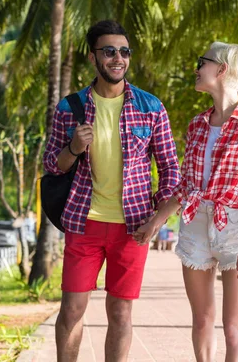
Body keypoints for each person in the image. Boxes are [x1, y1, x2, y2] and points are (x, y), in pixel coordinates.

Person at [43, 20, 180, 362]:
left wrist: (158, 220)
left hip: (133, 227)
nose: (118, 58)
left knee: (120, 313)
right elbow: (51, 165)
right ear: (93, 58)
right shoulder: (69, 108)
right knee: (72, 309)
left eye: (124, 51)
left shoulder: (150, 108)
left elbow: (171, 171)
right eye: (109, 51)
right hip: (83, 223)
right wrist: (73, 147)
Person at [135, 42, 238, 362]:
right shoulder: (198, 124)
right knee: (201, 320)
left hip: (237, 225)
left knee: (233, 327)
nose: (197, 68)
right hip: (195, 222)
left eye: (203, 62)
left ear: (222, 69)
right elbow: (186, 186)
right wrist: (155, 221)